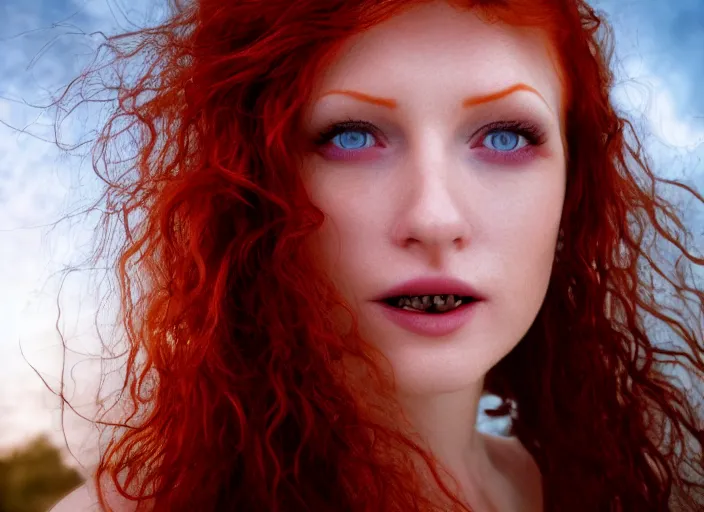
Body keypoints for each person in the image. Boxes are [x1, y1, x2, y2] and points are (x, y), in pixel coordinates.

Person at [48, 0, 704, 510]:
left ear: (573, 191)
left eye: (504, 137)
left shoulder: (565, 489)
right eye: (353, 135)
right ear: (252, 189)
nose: (434, 218)